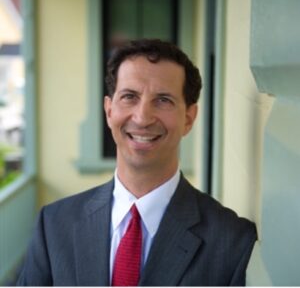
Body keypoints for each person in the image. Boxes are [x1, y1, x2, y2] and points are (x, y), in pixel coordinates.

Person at [17, 39, 257, 286]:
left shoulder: (232, 241)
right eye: (129, 96)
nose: (142, 118)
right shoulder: (54, 225)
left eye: (163, 100)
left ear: (188, 118)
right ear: (109, 111)